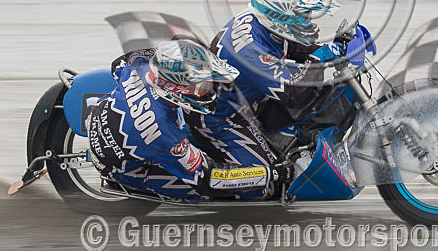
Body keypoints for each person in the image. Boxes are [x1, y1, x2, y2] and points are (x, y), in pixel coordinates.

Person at [185, 0, 345, 195]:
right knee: (268, 185)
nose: (308, 20)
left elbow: (295, 47)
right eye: (304, 14)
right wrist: (319, 59)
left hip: (247, 100)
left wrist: (334, 46)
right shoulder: (250, 49)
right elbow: (292, 92)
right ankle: (208, 184)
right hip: (219, 119)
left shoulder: (265, 20)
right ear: (281, 13)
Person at [86, 37, 288, 201]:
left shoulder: (139, 62)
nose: (210, 89)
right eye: (203, 86)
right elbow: (208, 178)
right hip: (124, 167)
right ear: (176, 90)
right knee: (254, 191)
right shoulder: (161, 133)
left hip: (110, 115)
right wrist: (271, 174)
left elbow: (117, 66)